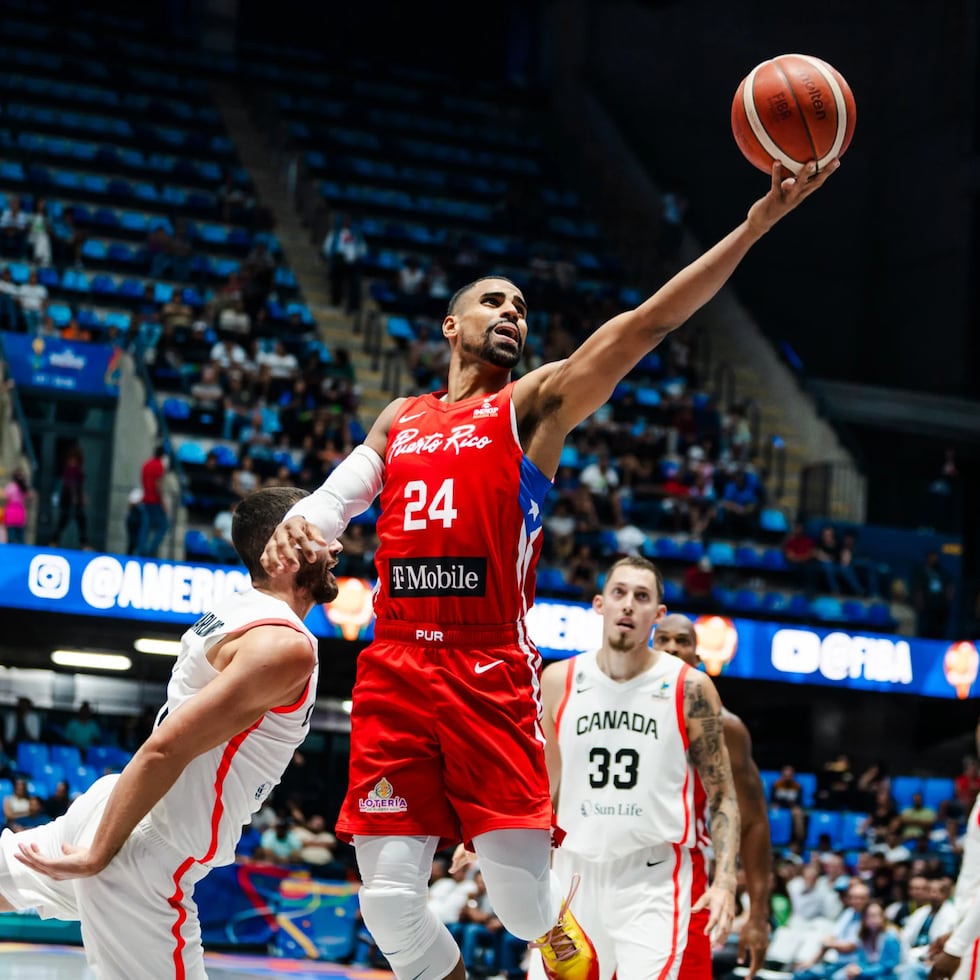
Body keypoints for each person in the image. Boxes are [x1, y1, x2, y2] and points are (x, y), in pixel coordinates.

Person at [260, 158, 838, 980]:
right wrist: (300, 531)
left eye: (521, 307)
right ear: (450, 328)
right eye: (493, 300)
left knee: (524, 905)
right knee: (386, 903)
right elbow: (332, 503)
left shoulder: (530, 407)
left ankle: (572, 958)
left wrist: (753, 226)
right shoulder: (402, 418)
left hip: (484, 664)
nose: (512, 313)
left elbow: (642, 326)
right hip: (393, 663)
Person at [0, 486, 344, 980]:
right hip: (142, 849)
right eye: (325, 536)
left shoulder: (237, 608)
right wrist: (102, 853)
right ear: (285, 549)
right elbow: (167, 748)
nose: (335, 549)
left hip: (119, 808)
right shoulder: (283, 646)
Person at [652, 612, 773, 978]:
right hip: (607, 872)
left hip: (685, 880)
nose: (672, 647)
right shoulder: (606, 707)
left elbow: (753, 823)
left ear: (697, 659)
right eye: (664, 639)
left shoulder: (726, 728)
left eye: (683, 641)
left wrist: (758, 915)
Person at [49, 444, 88, 549]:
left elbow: (77, 484)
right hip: (69, 498)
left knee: (76, 521)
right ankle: (54, 541)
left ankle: (54, 541)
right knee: (70, 520)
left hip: (71, 497)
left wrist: (81, 495)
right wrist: (75, 496)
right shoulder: (71, 470)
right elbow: (71, 484)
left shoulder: (73, 469)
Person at [137, 445, 169, 558]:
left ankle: (141, 550)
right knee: (164, 525)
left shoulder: (146, 464)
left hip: (146, 499)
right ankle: (151, 549)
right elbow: (158, 485)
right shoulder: (159, 465)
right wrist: (163, 502)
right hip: (155, 501)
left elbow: (143, 481)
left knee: (145, 527)